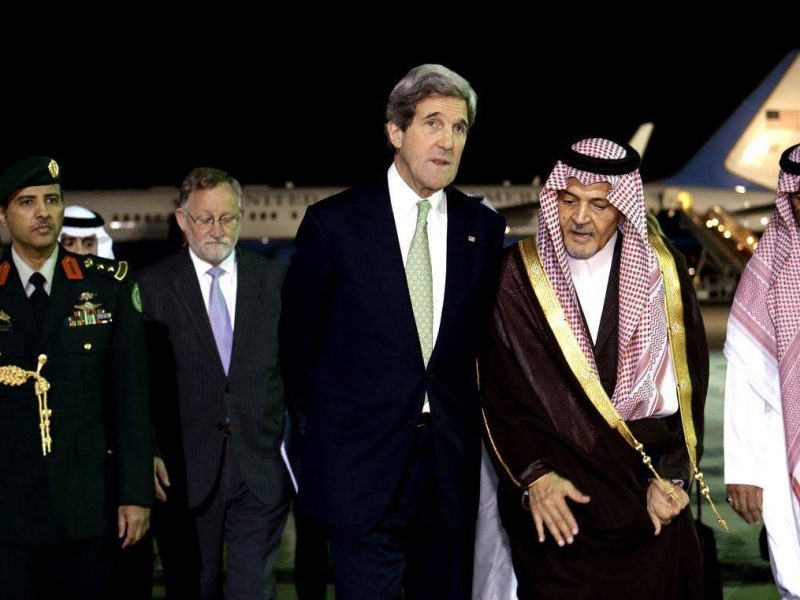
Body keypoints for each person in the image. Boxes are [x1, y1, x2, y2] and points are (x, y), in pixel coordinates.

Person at [280, 63, 506, 599]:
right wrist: (330, 443)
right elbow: (297, 350)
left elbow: (482, 349)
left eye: (459, 128)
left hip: (448, 476)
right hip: (360, 475)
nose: (448, 141)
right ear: (395, 132)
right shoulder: (333, 224)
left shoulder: (483, 228)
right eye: (433, 123)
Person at [481, 137, 708, 598]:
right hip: (560, 509)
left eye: (599, 205)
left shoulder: (663, 272)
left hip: (645, 500)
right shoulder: (515, 276)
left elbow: (689, 389)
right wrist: (535, 478)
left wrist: (673, 474)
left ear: (622, 209)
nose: (580, 218)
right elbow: (497, 396)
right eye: (569, 200)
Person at [0, 156, 152, 599]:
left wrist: (135, 494)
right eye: (27, 202)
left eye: (52, 200)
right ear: (4, 215)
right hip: (9, 506)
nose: (42, 212)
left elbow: (132, 399)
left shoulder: (109, 286)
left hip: (88, 504)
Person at [138, 167, 291, 600]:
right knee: (193, 588)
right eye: (205, 219)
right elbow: (138, 385)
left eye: (227, 218)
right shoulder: (151, 287)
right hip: (184, 474)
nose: (217, 229)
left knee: (254, 591)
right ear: (182, 220)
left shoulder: (274, 282)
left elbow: (297, 373)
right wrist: (147, 450)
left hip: (259, 471)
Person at [724, 142, 800, 598]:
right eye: (799, 196)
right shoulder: (769, 270)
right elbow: (746, 378)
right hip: (782, 446)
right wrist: (744, 469)